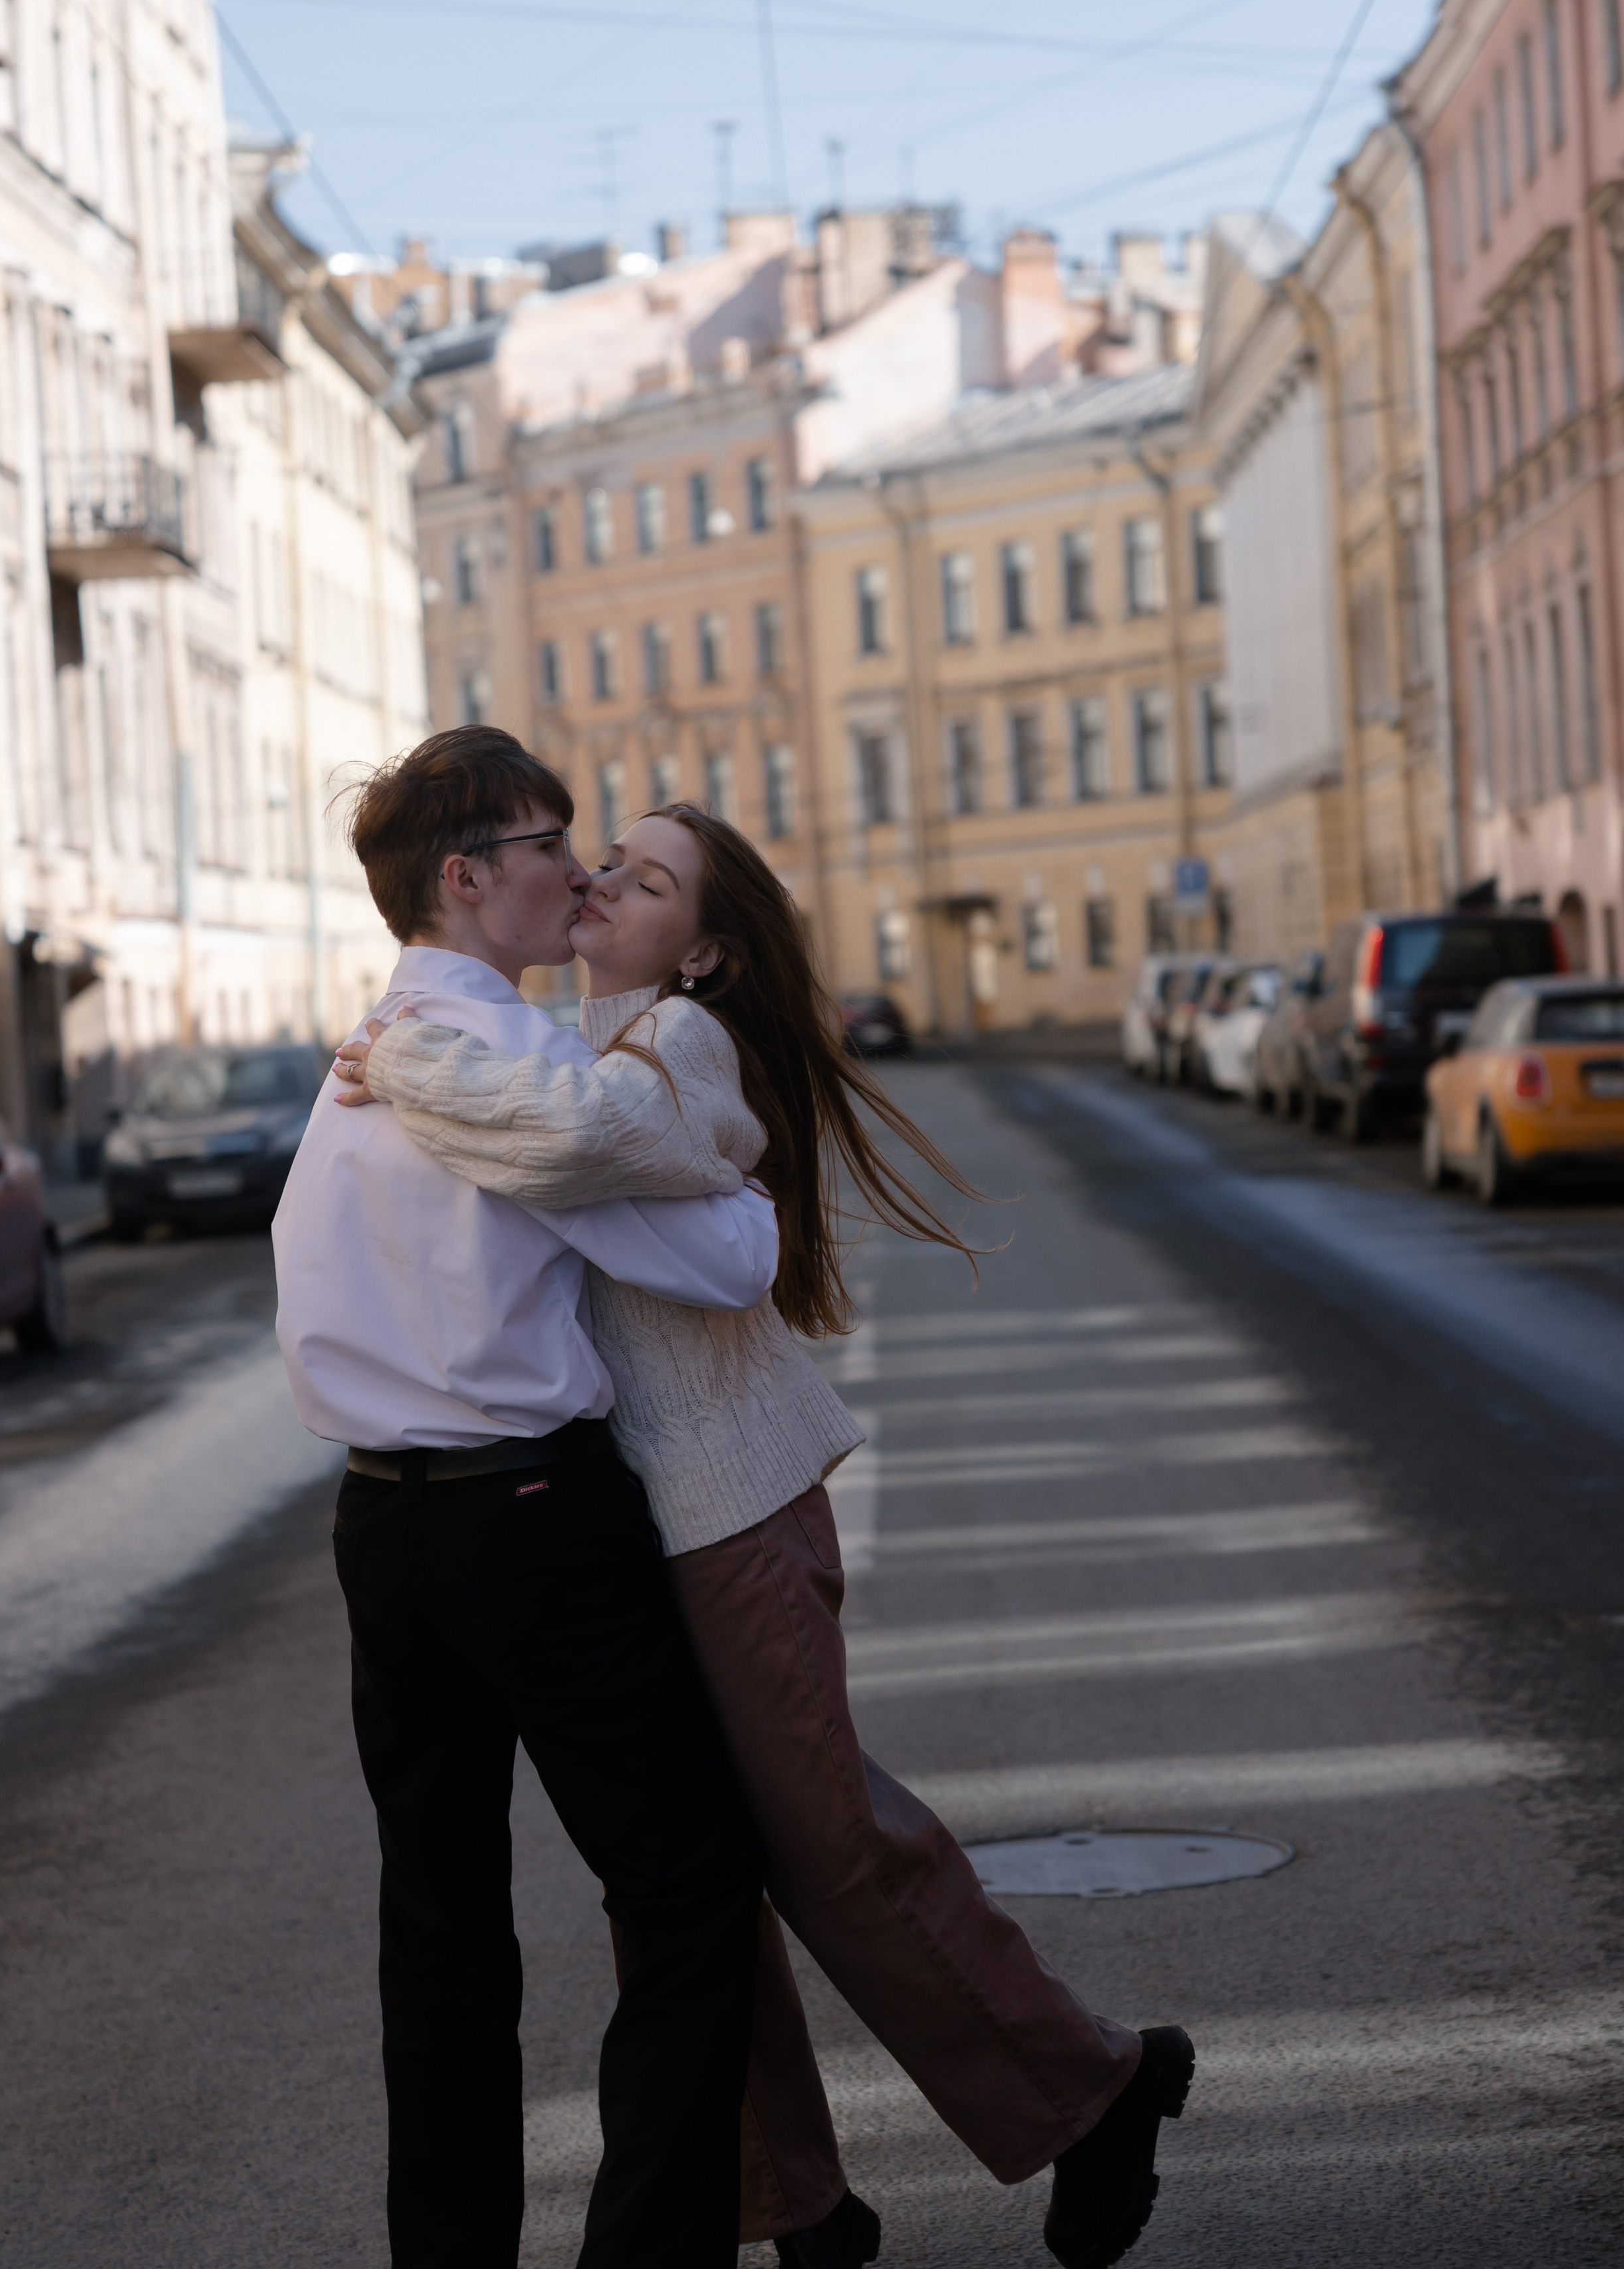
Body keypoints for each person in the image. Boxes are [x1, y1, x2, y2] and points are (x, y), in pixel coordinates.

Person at [333, 797, 1196, 2269]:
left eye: (648, 879)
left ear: (709, 953)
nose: (602, 880)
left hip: (728, 1506)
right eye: (608, 858)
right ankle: (788, 2200)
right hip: (624, 1525)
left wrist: (401, 1055)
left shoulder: (677, 1048)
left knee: (827, 1852)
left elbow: (573, 1145)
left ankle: (1094, 2090)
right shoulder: (560, 1048)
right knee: (677, 1884)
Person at [271, 729, 781, 2269]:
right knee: (689, 1896)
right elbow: (736, 1263)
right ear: (465, 878)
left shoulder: (354, 1075)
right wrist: (726, 1171)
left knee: (438, 1937)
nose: (579, 868)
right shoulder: (524, 1069)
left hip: (382, 1532)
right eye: (548, 840)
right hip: (535, 1517)